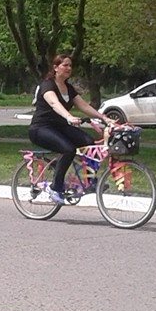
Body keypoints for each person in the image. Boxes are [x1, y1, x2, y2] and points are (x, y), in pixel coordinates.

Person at [29, 54, 113, 204]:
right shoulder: (47, 85)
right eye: (65, 65)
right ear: (55, 68)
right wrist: (68, 116)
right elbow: (55, 104)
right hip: (41, 128)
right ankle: (55, 188)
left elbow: (84, 106)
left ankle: (90, 181)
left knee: (89, 143)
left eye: (70, 65)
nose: (68, 68)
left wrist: (104, 118)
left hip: (60, 127)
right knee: (68, 149)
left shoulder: (68, 88)